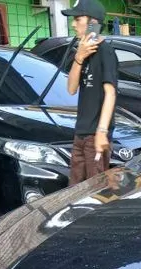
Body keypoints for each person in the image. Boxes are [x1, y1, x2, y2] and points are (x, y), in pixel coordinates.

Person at [61, 0, 118, 185]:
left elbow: (110, 94)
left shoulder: (105, 52)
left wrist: (102, 131)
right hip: (81, 132)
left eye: (78, 19)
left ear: (93, 23)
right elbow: (71, 89)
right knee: (75, 188)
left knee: (95, 190)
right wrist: (79, 57)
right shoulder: (82, 52)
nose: (73, 24)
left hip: (96, 135)